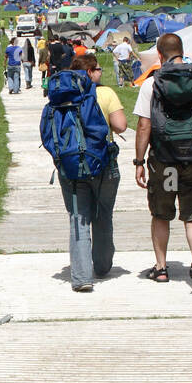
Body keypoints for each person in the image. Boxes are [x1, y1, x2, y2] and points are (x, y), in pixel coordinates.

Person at [133, 33, 192, 292]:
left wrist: (139, 161)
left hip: (166, 161)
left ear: (160, 56)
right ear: (182, 51)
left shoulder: (151, 85)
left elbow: (144, 126)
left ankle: (161, 268)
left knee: (161, 213)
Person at [44, 55, 128, 291]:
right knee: (103, 214)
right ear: (90, 72)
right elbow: (121, 125)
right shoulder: (105, 93)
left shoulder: (59, 96)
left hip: (70, 166)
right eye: (98, 69)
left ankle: (81, 278)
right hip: (103, 164)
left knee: (78, 218)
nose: (101, 73)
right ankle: (101, 266)